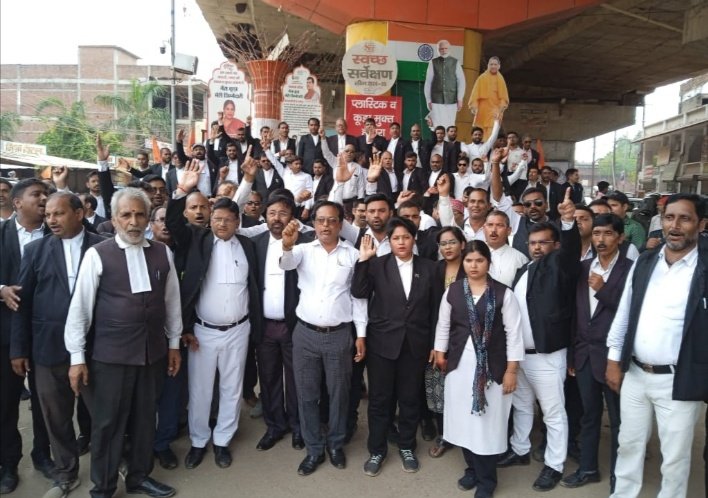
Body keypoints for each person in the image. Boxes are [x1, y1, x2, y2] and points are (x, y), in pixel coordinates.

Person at [64, 187, 182, 498]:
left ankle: (139, 476)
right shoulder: (98, 254)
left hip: (152, 353)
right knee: (108, 424)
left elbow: (172, 302)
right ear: (114, 219)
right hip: (111, 357)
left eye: (140, 214)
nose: (133, 221)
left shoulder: (162, 252)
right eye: (126, 215)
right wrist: (77, 357)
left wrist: (173, 344)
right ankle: (103, 487)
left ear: (148, 218)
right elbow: (80, 309)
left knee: (145, 419)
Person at [606, 193, 707, 498]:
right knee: (628, 444)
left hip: (680, 381)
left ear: (701, 224)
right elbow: (624, 313)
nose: (674, 226)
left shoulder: (704, 268)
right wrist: (613, 360)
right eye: (669, 217)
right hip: (635, 374)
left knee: (674, 457)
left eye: (684, 218)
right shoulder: (646, 261)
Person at [166, 160, 261, 471]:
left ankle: (222, 440)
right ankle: (198, 441)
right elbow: (174, 223)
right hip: (203, 332)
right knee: (200, 389)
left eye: (228, 219)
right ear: (210, 219)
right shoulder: (198, 241)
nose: (222, 224)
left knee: (232, 388)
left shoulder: (247, 246)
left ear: (237, 221)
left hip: (239, 330)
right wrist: (182, 189)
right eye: (217, 218)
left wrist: (247, 180)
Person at [10, 193, 104, 497]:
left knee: (103, 413)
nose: (51, 220)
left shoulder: (102, 246)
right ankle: (66, 473)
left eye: (58, 214)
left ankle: (108, 469)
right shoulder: (36, 251)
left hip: (95, 348)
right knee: (56, 416)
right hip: (48, 349)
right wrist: (18, 349)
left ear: (79, 213)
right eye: (48, 214)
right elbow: (22, 303)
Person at [497, 188, 581, 492]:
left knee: (553, 413)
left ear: (555, 245)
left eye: (543, 242)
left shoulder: (559, 266)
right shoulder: (524, 270)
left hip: (547, 355)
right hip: (521, 355)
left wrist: (568, 222)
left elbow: (569, 255)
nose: (536, 247)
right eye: (532, 242)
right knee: (521, 406)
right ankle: (519, 450)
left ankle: (554, 465)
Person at [279, 201, 367, 476]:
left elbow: (358, 299)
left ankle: (336, 444)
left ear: (341, 224)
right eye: (320, 220)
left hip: (339, 336)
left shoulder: (352, 255)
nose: (326, 225)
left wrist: (361, 334)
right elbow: (286, 264)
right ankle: (314, 449)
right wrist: (287, 245)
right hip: (305, 334)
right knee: (306, 395)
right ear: (314, 223)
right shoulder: (303, 250)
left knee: (339, 394)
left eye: (331, 220)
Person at [352, 218, 442, 476]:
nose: (401, 242)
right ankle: (377, 450)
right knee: (379, 401)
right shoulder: (377, 265)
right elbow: (358, 292)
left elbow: (436, 310)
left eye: (406, 237)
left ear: (414, 239)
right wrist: (364, 260)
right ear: (389, 241)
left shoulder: (430, 268)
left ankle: (406, 446)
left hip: (416, 345)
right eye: (396, 238)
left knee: (410, 399)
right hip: (383, 344)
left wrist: (435, 344)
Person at [435, 240, 524, 497]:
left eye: (479, 260)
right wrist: (440, 353)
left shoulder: (504, 294)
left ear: (488, 263)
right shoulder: (453, 292)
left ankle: (487, 480)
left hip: (492, 371)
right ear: (463, 262)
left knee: (486, 425)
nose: (474, 266)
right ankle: (472, 469)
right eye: (469, 260)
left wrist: (511, 370)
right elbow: (443, 325)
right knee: (463, 421)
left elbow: (514, 334)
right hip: (459, 368)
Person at [561, 213, 632, 493]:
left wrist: (603, 291)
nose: (601, 239)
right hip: (584, 355)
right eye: (597, 233)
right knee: (589, 416)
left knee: (618, 421)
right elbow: (574, 315)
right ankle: (588, 468)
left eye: (608, 234)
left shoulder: (631, 269)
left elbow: (632, 314)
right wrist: (571, 355)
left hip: (613, 358)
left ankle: (620, 477)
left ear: (620, 238)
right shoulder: (583, 268)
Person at [0, 178, 54, 495]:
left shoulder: (57, 233)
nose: (44, 199)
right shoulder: (1, 233)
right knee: (6, 402)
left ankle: (43, 455)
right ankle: (8, 463)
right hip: (7, 334)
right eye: (37, 194)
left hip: (46, 333)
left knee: (45, 400)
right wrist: (1, 290)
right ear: (17, 202)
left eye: (46, 194)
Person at [251, 195, 313, 452]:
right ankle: (275, 425)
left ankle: (298, 426)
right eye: (272, 213)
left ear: (293, 217)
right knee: (268, 377)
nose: (277, 218)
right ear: (265, 216)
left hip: (293, 325)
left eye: (283, 213)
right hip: (264, 325)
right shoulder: (255, 243)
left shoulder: (305, 243)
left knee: (296, 378)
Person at [424, 40, 465, 130]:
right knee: (437, 125)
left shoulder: (455, 62)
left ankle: (448, 140)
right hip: (436, 99)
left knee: (450, 124)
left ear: (449, 49)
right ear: (438, 50)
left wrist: (460, 98)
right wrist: (428, 100)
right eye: (441, 49)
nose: (444, 51)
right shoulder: (433, 62)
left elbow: (461, 81)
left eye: (446, 48)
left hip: (452, 99)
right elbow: (428, 82)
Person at [468, 57, 508, 140]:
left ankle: (489, 147)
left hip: (494, 110)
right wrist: (474, 107)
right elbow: (475, 95)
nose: (493, 66)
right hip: (482, 110)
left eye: (495, 64)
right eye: (491, 64)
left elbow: (503, 97)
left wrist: (501, 109)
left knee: (491, 132)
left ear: (499, 66)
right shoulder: (482, 78)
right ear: (488, 66)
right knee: (480, 132)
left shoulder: (500, 79)